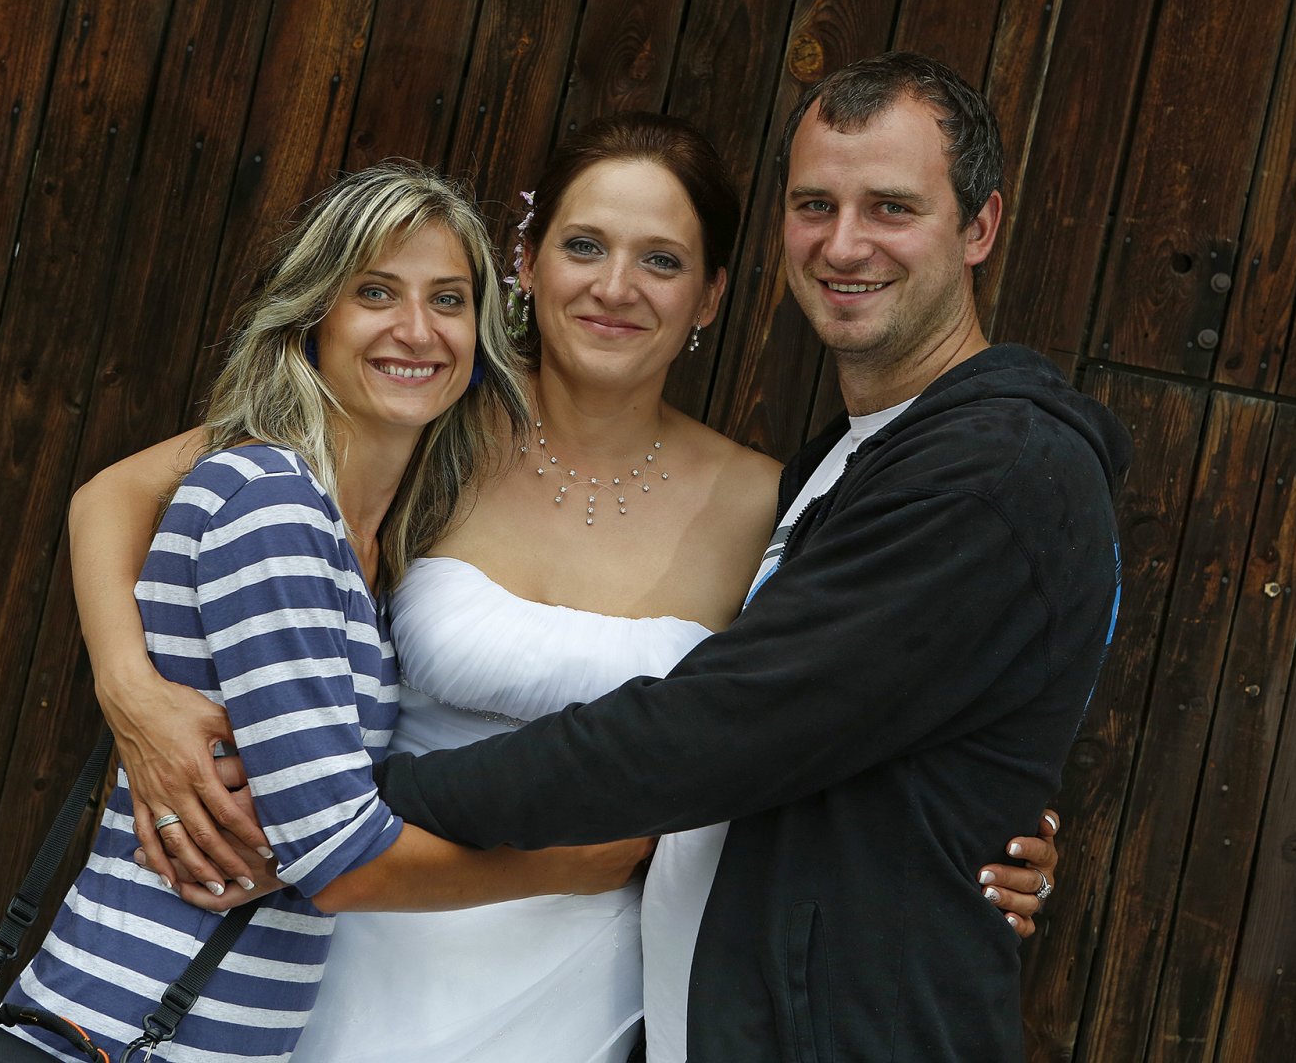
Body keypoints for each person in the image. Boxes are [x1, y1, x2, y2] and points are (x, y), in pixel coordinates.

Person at [70, 115, 1059, 1062]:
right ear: (527, 261)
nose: (614, 288)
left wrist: (982, 838)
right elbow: (115, 495)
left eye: (661, 261)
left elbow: (835, 710)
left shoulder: (771, 504)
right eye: (584, 246)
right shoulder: (428, 413)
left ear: (709, 296)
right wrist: (130, 691)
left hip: (587, 974)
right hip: (352, 925)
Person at [365, 54, 1132, 1061]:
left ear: (978, 227)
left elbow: (716, 730)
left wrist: (358, 804)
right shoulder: (846, 462)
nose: (844, 243)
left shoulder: (990, 474)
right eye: (815, 205)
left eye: (891, 207)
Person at [3, 163, 651, 1061]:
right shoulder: (272, 501)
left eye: (448, 299)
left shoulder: (365, 539)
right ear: (314, 320)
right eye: (374, 293)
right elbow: (338, 858)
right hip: (117, 1032)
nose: (416, 329)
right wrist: (571, 866)